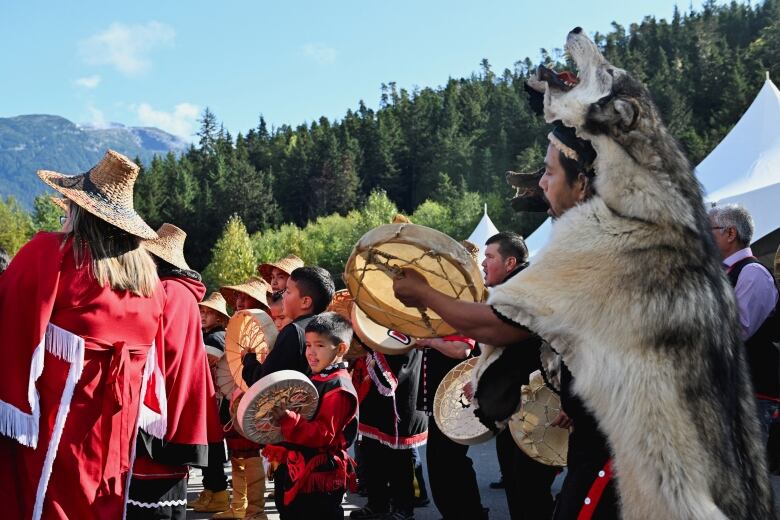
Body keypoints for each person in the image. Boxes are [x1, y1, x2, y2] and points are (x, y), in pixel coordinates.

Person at [392, 123, 619, 519]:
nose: (540, 183)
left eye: (548, 173)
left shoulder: (594, 254)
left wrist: (425, 294)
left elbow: (498, 326)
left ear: (583, 182)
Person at [0, 150, 166, 519]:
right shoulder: (150, 283)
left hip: (57, 431)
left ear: (80, 211)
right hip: (114, 434)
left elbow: (8, 323)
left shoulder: (53, 254)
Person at [127, 224, 224, 520]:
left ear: (154, 261)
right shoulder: (182, 294)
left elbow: (155, 351)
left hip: (161, 411)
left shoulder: (166, 291)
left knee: (152, 506)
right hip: (178, 410)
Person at [478, 232, 560, 519]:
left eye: (489, 257)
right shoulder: (513, 291)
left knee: (528, 492)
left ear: (510, 262)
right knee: (520, 488)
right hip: (518, 408)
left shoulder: (526, 293)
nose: (483, 263)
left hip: (538, 410)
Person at [263, 312, 359, 519]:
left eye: (320, 345)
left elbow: (324, 434)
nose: (311, 352)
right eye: (308, 345)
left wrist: (289, 419)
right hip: (297, 465)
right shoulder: (316, 376)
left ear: (341, 348)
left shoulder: (339, 387)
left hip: (318, 474)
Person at [709, 204, 780, 442]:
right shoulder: (724, 272)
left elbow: (734, 331)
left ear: (730, 233)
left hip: (753, 394)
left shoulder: (752, 273)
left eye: (709, 230)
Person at [350, 346, 428, 520]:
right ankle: (377, 504)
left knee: (399, 457)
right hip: (372, 391)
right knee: (371, 451)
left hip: (400, 391)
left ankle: (403, 508)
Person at [415, 335, 486, 520]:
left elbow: (461, 350)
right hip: (443, 400)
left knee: (450, 461)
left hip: (456, 400)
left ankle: (471, 514)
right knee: (440, 461)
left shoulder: (460, 309)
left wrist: (430, 342)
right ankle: (453, 514)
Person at [243, 266, 335, 384]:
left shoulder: (293, 331)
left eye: (288, 291)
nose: (283, 295)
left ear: (305, 302)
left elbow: (264, 381)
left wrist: (248, 359)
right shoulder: (326, 329)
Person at [189, 292, 232, 514]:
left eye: (209, 312)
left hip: (216, 400)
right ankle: (210, 491)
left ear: (220, 317)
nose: (203, 315)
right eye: (201, 311)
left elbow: (201, 365)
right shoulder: (210, 335)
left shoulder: (217, 338)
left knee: (213, 449)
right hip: (214, 399)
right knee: (210, 449)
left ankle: (219, 493)